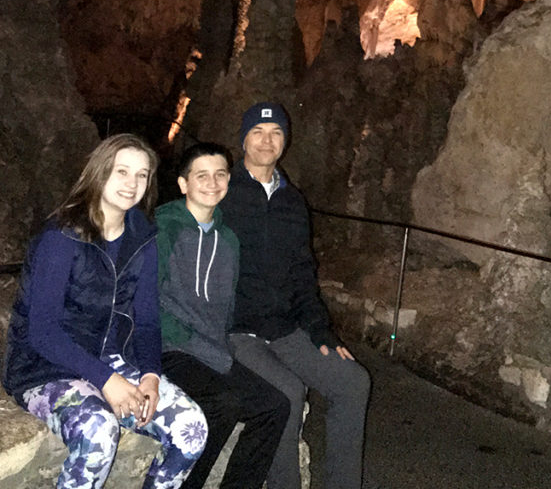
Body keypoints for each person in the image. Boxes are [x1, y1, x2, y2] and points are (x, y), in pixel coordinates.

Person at [2, 133, 208, 489]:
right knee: (98, 430)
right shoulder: (62, 237)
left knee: (192, 429)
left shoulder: (142, 237)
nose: (132, 183)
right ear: (98, 172)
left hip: (112, 357)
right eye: (121, 171)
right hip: (44, 367)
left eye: (142, 175)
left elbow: (146, 319)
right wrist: (107, 381)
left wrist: (150, 376)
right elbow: (43, 332)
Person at [220, 102, 370, 489]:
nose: (267, 141)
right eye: (258, 132)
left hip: (285, 329)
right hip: (236, 330)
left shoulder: (292, 202)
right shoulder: (221, 193)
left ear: (285, 141)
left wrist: (322, 333)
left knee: (353, 382)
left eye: (276, 133)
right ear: (243, 140)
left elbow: (304, 273)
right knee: (287, 393)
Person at [156, 142, 290, 489]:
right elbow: (148, 301)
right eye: (202, 175)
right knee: (223, 403)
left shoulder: (228, 239)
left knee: (274, 405)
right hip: (170, 347)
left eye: (220, 174)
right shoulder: (163, 229)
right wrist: (187, 341)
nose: (212, 182)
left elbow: (226, 305)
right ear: (184, 183)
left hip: (211, 349)